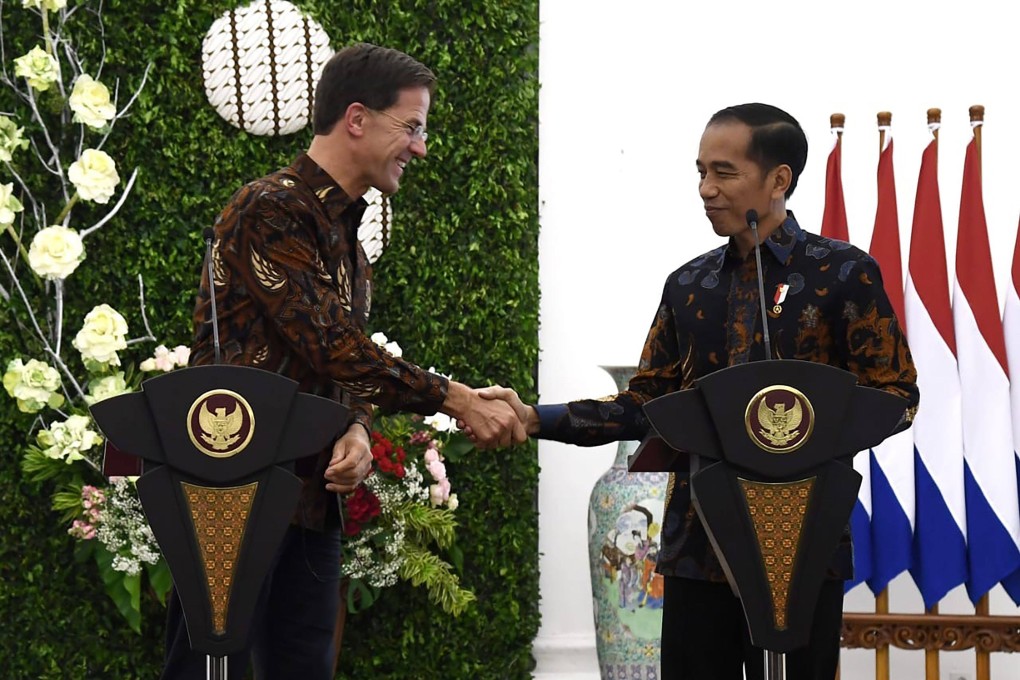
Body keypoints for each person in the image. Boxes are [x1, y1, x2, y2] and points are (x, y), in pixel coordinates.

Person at [476, 103, 919, 680]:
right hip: (698, 547)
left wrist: (803, 441)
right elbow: (645, 404)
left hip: (803, 542)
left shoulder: (842, 274)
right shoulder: (688, 285)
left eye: (724, 172)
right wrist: (538, 417)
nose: (706, 189)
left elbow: (896, 395)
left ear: (779, 179)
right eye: (700, 172)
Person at [162, 43, 526, 679]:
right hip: (234, 493)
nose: (421, 147)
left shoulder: (350, 247)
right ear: (357, 118)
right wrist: (458, 398)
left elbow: (338, 366)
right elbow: (332, 342)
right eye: (411, 127)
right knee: (204, 670)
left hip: (312, 501)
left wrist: (357, 427)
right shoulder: (268, 208)